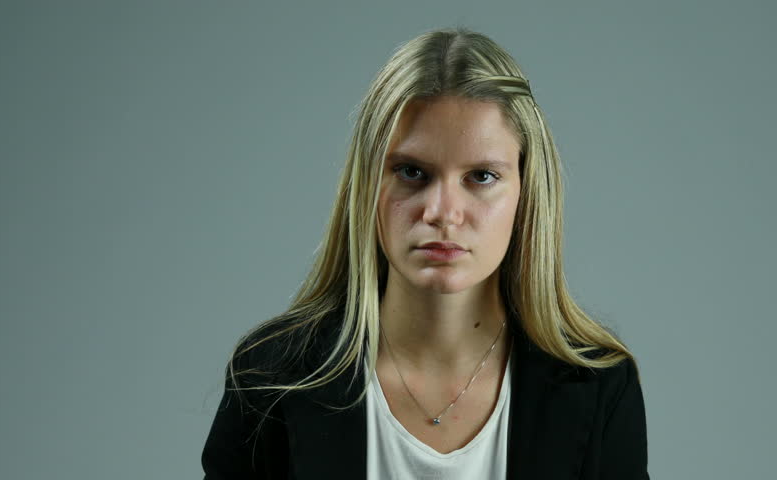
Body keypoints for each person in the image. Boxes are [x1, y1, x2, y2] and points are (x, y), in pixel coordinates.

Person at [201, 26, 649, 480]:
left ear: (527, 192)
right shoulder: (271, 378)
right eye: (412, 172)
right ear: (367, 185)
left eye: (481, 176)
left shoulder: (600, 387)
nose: (443, 212)